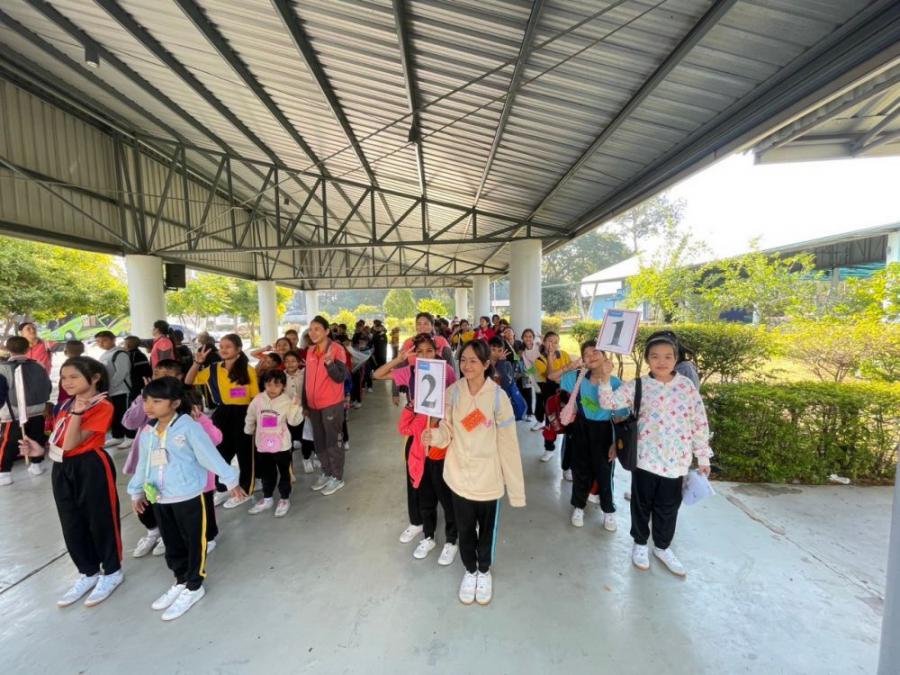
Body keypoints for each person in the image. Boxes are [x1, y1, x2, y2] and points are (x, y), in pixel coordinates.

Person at [128, 377, 245, 621]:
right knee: (172, 543)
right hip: (160, 497)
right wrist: (136, 491)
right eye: (146, 400)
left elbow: (209, 455)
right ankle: (180, 580)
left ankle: (194, 585)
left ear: (175, 403)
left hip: (189, 495)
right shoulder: (149, 431)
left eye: (156, 401)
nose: (149, 406)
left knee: (194, 542)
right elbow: (144, 463)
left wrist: (230, 480)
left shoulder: (188, 427)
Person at [597, 332, 712, 576]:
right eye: (655, 356)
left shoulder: (686, 386)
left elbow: (699, 422)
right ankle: (640, 544)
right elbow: (608, 403)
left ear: (676, 358)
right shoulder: (639, 385)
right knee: (642, 504)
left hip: (676, 462)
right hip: (645, 460)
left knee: (669, 507)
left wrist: (703, 456)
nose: (662, 361)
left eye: (668, 356)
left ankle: (662, 547)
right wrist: (605, 378)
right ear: (648, 359)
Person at [422, 341, 525, 606]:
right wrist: (434, 435)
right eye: (463, 360)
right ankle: (470, 570)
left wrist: (515, 490)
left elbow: (509, 444)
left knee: (486, 531)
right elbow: (447, 430)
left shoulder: (498, 397)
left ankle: (484, 570)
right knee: (465, 529)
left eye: (473, 361)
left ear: (486, 364)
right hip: (458, 476)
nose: (466, 366)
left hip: (488, 479)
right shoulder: (453, 392)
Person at [19, 357, 123, 608]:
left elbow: (73, 443)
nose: (67, 382)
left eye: (74, 377)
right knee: (71, 522)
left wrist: (77, 413)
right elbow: (60, 440)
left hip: (91, 465)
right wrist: (39, 450)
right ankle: (88, 571)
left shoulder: (102, 406)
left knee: (100, 519)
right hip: (61, 467)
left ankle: (112, 571)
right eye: (64, 377)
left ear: (95, 378)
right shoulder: (65, 404)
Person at [373, 334, 457, 549]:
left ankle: (453, 534)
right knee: (417, 479)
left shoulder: (447, 370)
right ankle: (421, 525)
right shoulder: (410, 370)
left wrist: (439, 421)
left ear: (437, 352)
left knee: (442, 483)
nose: (425, 355)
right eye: (420, 352)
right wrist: (399, 358)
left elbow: (455, 398)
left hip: (439, 435)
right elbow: (377, 374)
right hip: (416, 434)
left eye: (429, 351)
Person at [185, 334, 259, 508]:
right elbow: (188, 381)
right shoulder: (213, 369)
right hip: (222, 412)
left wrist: (256, 420)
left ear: (238, 349)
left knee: (245, 454)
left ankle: (246, 490)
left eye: (228, 346)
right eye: (222, 346)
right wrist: (197, 363)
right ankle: (223, 487)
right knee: (220, 452)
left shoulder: (248, 370)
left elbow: (254, 397)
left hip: (244, 413)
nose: (223, 350)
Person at [562, 342, 627, 531]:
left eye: (595, 351)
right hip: (581, 427)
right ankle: (579, 506)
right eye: (586, 354)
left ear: (605, 355)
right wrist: (571, 366)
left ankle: (608, 510)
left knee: (604, 471)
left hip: (604, 430)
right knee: (580, 468)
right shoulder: (578, 377)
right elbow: (552, 377)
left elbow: (620, 416)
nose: (591, 355)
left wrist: (616, 443)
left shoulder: (615, 383)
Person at [122, 359, 183, 557]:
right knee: (143, 499)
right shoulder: (144, 398)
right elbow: (130, 423)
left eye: (167, 374)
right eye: (157, 374)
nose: (160, 378)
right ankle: (152, 531)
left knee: (164, 500)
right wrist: (145, 399)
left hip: (172, 464)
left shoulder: (183, 399)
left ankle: (167, 533)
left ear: (178, 377)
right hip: (146, 461)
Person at [244, 370, 303, 517]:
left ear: (283, 386)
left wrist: (296, 406)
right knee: (267, 473)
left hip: (282, 445)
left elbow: (293, 421)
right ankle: (267, 498)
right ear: (264, 384)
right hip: (263, 445)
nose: (272, 388)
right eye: (268, 384)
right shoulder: (258, 399)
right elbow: (250, 416)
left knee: (284, 473)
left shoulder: (287, 401)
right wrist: (248, 430)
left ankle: (284, 498)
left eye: (276, 385)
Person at [304, 316, 349, 496]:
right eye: (310, 329)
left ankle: (337, 477)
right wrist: (305, 403)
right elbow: (307, 379)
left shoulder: (337, 349)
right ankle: (326, 472)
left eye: (317, 329)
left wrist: (329, 363)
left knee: (333, 441)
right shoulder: (310, 351)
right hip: (313, 406)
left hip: (331, 404)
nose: (312, 333)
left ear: (327, 331)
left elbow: (340, 377)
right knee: (319, 441)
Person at [0, 336, 52, 483]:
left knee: (9, 442)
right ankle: (36, 466)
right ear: (28, 348)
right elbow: (47, 387)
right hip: (37, 410)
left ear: (7, 349)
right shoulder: (39, 365)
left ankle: (4, 473)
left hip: (13, 413)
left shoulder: (3, 368)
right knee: (36, 438)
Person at [533, 331, 576, 461]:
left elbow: (571, 371)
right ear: (544, 342)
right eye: (550, 341)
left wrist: (560, 376)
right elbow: (550, 376)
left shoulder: (564, 354)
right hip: (549, 393)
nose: (552, 344)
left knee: (570, 419)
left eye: (556, 342)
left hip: (565, 391)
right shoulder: (539, 360)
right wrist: (550, 359)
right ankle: (549, 448)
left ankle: (568, 456)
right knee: (551, 420)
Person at [94, 331, 132, 450]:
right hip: (110, 391)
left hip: (122, 390)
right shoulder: (104, 355)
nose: (101, 343)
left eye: (104, 340)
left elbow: (122, 372)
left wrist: (111, 387)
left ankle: (130, 437)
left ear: (113, 339)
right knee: (114, 414)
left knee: (124, 413)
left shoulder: (120, 353)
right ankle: (117, 436)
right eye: (98, 341)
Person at [122, 336, 152, 405]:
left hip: (135, 385)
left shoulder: (130, 355)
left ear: (127, 345)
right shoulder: (141, 354)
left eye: (124, 343)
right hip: (143, 384)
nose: (123, 346)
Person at [519, 329, 540, 423]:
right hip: (527, 375)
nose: (528, 338)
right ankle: (530, 414)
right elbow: (520, 361)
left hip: (541, 375)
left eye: (530, 336)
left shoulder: (538, 346)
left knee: (539, 396)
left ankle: (536, 416)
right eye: (525, 336)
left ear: (533, 338)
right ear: (522, 338)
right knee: (530, 394)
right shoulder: (522, 350)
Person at [57, 340, 85, 407]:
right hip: (82, 398)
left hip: (67, 398)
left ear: (65, 351)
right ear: (83, 350)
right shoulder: (86, 364)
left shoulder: (67, 365)